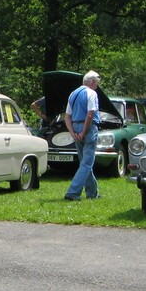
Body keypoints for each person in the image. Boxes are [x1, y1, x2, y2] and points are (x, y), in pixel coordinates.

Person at [64, 70, 101, 201]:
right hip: (88, 128)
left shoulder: (73, 94)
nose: (97, 85)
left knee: (84, 162)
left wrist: (73, 133)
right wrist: (84, 132)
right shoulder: (92, 93)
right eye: (97, 82)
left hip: (75, 126)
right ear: (92, 82)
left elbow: (67, 116)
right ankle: (72, 192)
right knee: (87, 163)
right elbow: (90, 115)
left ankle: (92, 193)